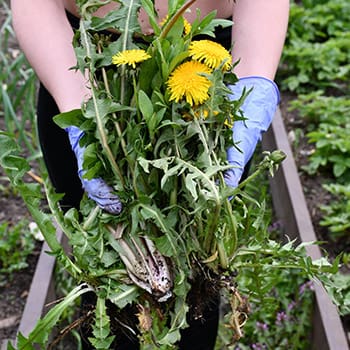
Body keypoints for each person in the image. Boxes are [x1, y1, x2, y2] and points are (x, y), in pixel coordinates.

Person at [10, 1, 289, 349]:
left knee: (198, 276)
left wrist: (254, 85)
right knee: (107, 277)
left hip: (207, 73)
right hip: (80, 65)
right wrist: (84, 114)